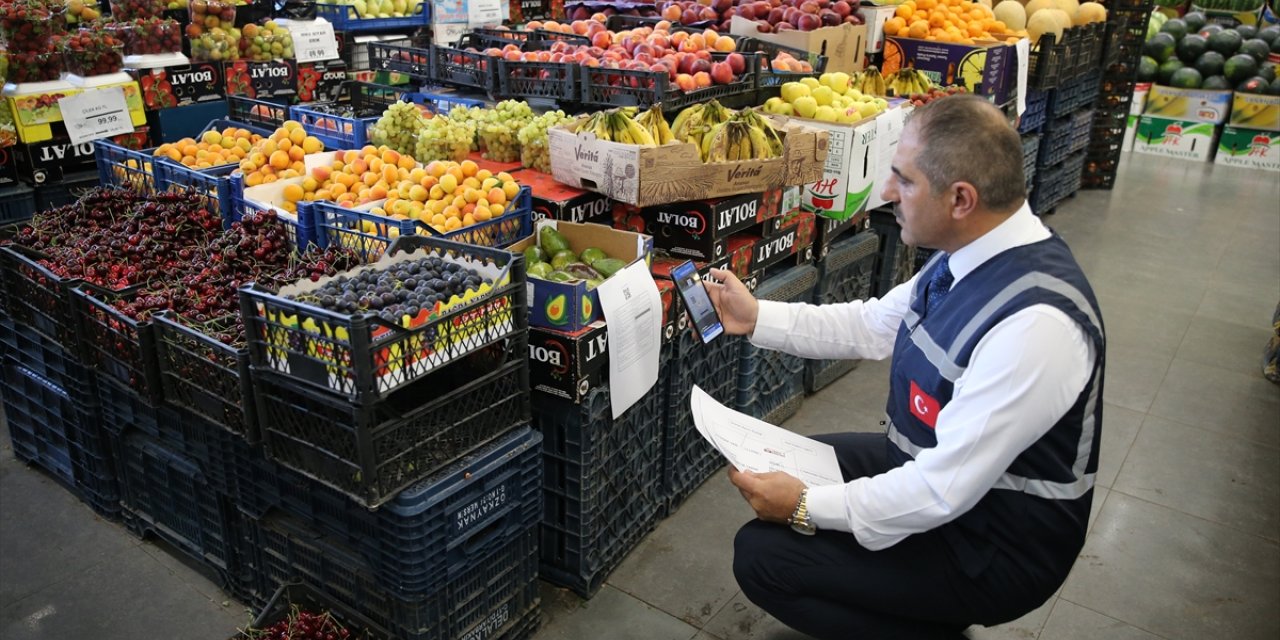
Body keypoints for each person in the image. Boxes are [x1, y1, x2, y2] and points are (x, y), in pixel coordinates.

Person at [703, 95, 1105, 640]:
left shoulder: (1035, 326)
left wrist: (803, 506)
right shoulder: (970, 255)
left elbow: (941, 492)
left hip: (994, 545)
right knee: (797, 459)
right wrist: (756, 317)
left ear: (961, 198)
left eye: (904, 180)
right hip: (952, 483)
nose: (887, 193)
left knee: (764, 557)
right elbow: (873, 325)